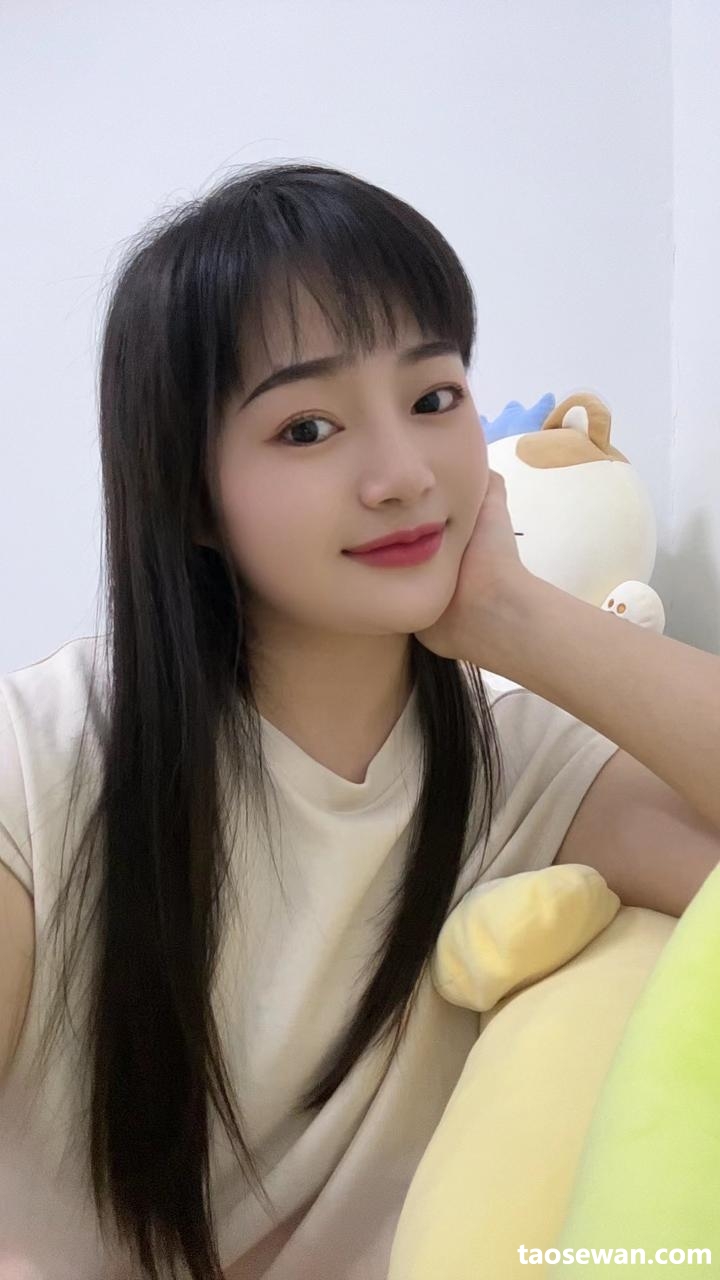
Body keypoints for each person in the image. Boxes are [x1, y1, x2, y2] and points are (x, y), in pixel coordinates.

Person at [0, 160, 718, 1280]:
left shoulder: (519, 764)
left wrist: (519, 617)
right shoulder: (40, 762)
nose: (402, 475)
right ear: (189, 493)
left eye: (434, 399)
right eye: (308, 426)